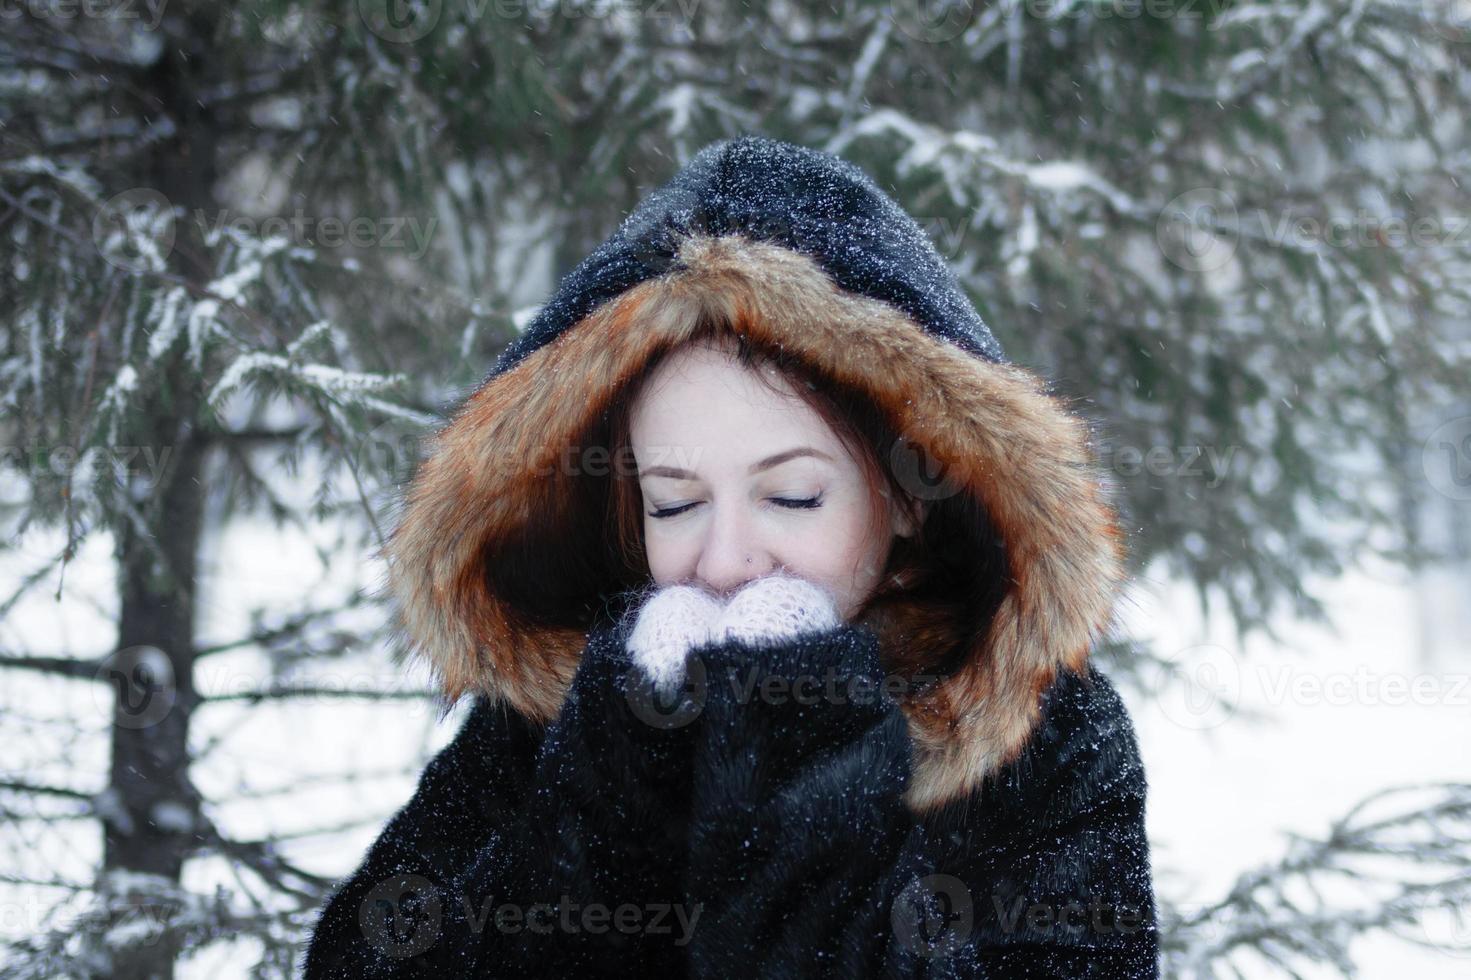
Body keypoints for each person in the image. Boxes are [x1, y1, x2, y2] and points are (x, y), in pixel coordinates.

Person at [301, 135, 1159, 978]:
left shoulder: (1048, 738)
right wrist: (609, 812)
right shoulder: (549, 717)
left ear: (905, 490)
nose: (723, 561)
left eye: (790, 496)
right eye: (674, 503)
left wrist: (810, 845)